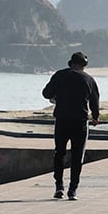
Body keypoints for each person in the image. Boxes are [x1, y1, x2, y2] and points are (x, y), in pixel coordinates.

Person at [42, 51, 100, 199]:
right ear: (84, 65)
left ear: (70, 63)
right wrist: (95, 116)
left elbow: (46, 93)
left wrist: (56, 97)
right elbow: (94, 100)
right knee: (77, 156)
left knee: (59, 154)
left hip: (61, 120)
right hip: (80, 121)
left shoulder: (59, 75)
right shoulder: (89, 79)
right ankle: (73, 190)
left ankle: (59, 186)